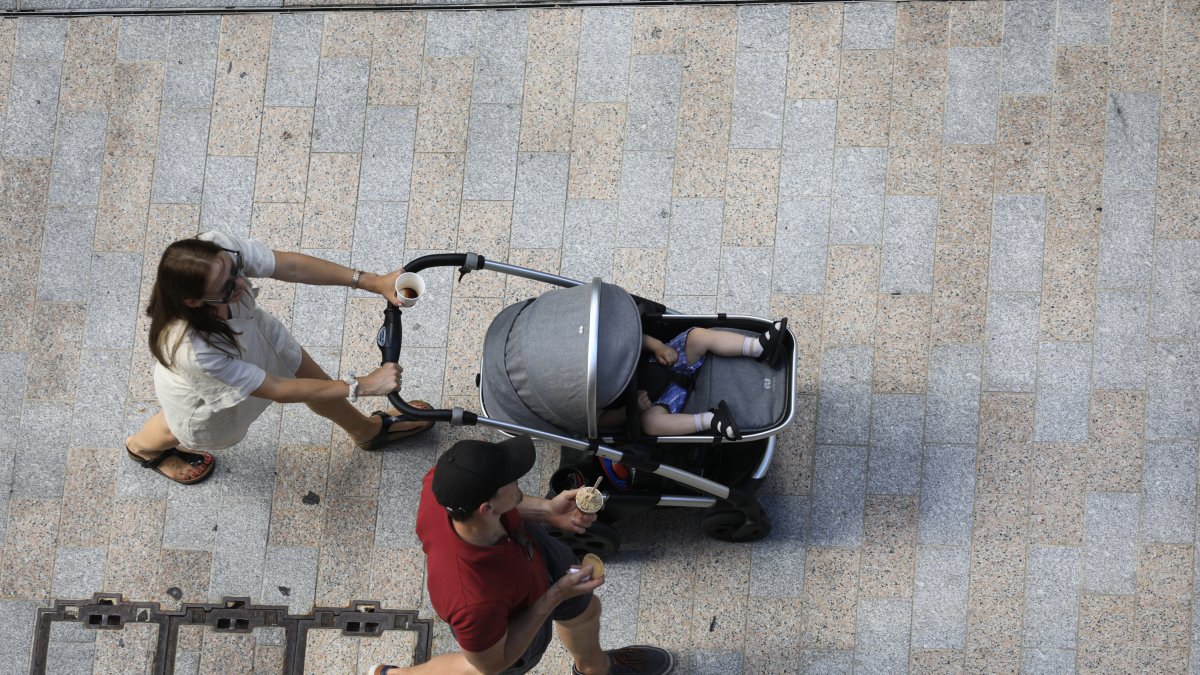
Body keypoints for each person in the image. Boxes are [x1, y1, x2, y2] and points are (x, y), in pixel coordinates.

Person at [124, 230, 433, 485]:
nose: (243, 284)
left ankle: (367, 431)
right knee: (174, 427)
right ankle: (141, 449)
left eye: (236, 271)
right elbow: (275, 389)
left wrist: (372, 281)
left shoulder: (217, 251)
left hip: (259, 337)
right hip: (206, 400)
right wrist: (362, 384)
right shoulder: (193, 351)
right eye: (227, 288)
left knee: (318, 383)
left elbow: (290, 266)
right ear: (193, 301)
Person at [370, 435, 674, 675]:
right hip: (508, 620)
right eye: (511, 480)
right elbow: (492, 662)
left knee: (585, 609)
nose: (519, 480)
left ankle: (595, 669)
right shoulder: (473, 601)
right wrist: (553, 597)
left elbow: (502, 504)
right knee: (477, 668)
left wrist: (548, 512)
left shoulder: (445, 484)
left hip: (524, 546)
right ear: (486, 509)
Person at [600, 320, 788, 442]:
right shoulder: (579, 404)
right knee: (649, 424)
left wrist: (657, 347)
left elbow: (633, 339)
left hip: (662, 361)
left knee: (697, 337)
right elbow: (600, 420)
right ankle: (710, 420)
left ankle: (758, 348)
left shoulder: (600, 346)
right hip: (652, 403)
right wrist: (630, 410)